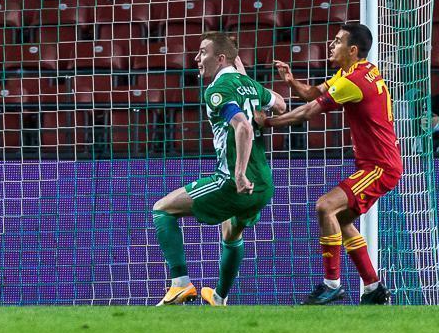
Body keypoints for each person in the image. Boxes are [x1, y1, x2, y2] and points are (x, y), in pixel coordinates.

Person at [254, 23, 402, 305]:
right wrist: (291, 82)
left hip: (380, 166)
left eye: (337, 41)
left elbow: (309, 111)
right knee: (340, 219)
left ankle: (331, 284)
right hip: (376, 164)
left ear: (353, 49)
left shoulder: (353, 81)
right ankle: (373, 288)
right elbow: (312, 94)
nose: (331, 45)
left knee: (325, 206)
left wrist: (268, 122)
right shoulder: (351, 73)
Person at [150, 32, 286, 306]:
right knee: (231, 232)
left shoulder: (216, 90)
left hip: (233, 182)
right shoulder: (250, 85)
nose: (196, 58)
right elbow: (281, 104)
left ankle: (180, 284)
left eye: (203, 52)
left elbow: (243, 127)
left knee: (162, 210)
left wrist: (239, 173)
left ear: (221, 58)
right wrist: (256, 101)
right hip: (263, 185)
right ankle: (219, 297)